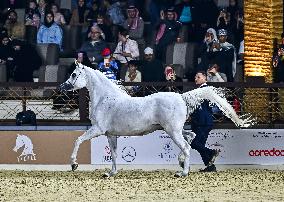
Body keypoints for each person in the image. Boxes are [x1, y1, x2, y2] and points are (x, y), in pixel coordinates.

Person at [189, 71, 219, 172]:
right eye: (195, 77)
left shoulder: (204, 90)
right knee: (200, 145)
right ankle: (210, 166)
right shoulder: (202, 90)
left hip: (203, 122)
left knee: (194, 143)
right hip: (202, 121)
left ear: (205, 78)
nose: (196, 79)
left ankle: (211, 152)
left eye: (198, 77)